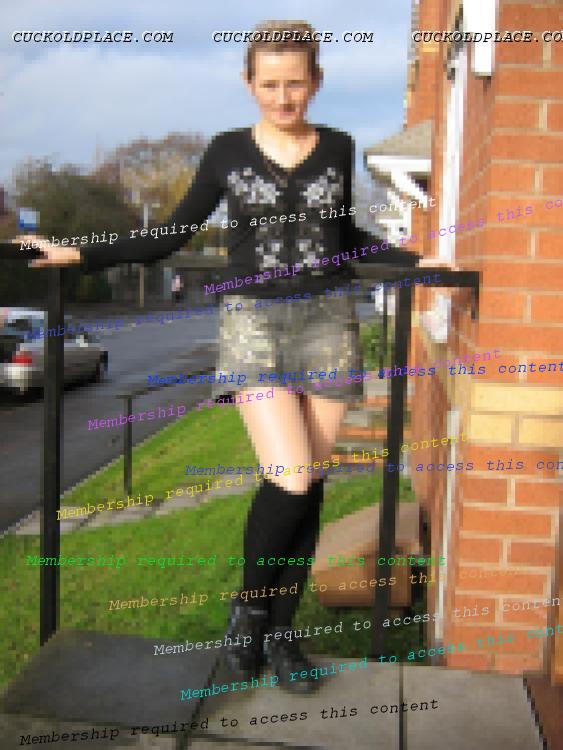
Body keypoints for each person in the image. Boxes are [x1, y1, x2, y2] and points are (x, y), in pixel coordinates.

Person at [18, 20, 424, 692]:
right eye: (270, 84)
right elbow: (172, 233)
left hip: (328, 322)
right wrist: (80, 252)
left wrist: (414, 261)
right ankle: (249, 613)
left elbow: (343, 233)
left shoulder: (338, 147)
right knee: (291, 476)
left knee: (310, 486)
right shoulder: (226, 151)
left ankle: (283, 637)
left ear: (317, 81)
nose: (283, 97)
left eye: (295, 83)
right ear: (248, 82)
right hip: (254, 324)